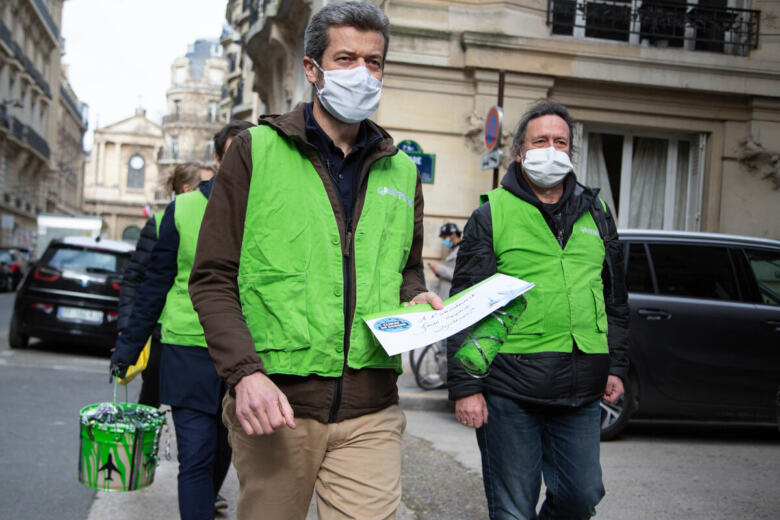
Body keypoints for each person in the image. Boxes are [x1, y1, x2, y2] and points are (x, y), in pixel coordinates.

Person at [187, 3, 442, 518]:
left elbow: (406, 268)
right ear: (312, 69)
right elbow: (213, 277)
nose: (363, 73)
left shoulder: (404, 172)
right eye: (346, 58)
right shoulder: (255, 151)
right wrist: (244, 375)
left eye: (374, 62)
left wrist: (416, 298)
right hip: (276, 407)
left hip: (371, 408)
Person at [446, 99, 630, 520]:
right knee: (514, 510)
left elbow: (615, 297)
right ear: (519, 152)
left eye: (561, 141)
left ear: (571, 152)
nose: (552, 149)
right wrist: (466, 386)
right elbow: (464, 306)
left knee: (581, 496)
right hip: (509, 388)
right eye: (541, 140)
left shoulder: (598, 214)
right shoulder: (491, 215)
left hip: (582, 386)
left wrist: (616, 365)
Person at [110, 157, 231, 519]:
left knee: (222, 445)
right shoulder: (171, 216)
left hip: (233, 349)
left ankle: (205, 498)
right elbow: (145, 280)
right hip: (178, 342)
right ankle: (141, 469)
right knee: (195, 451)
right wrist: (129, 341)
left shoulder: (255, 209)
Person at [116, 161, 217, 409]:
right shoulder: (162, 221)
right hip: (162, 332)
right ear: (186, 189)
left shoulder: (220, 222)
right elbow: (138, 279)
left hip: (199, 335)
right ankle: (144, 446)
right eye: (204, 184)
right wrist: (127, 329)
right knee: (150, 402)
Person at [427, 222, 461, 298]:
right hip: (445, 293)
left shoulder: (462, 250)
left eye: (445, 236)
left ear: (454, 234)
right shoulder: (452, 250)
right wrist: (437, 272)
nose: (444, 240)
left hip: (452, 295)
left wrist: (439, 269)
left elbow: (459, 275)